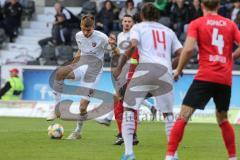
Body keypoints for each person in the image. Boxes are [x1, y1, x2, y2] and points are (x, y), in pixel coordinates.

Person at [165, 0, 240, 159]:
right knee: (223, 119)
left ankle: (170, 155)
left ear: (202, 6)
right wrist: (231, 57)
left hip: (205, 76)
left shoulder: (197, 23)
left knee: (183, 116)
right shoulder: (230, 24)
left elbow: (189, 48)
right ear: (219, 6)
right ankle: (233, 157)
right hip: (224, 79)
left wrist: (179, 69)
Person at [113, 3, 182, 160]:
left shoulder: (138, 28)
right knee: (168, 115)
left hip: (145, 69)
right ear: (157, 16)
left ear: (142, 16)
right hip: (165, 72)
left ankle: (129, 153)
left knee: (128, 109)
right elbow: (182, 52)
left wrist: (120, 66)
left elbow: (133, 46)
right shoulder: (168, 31)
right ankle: (173, 155)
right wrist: (175, 68)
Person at [46, 14, 117, 140]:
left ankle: (78, 131)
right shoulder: (78, 35)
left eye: (88, 30)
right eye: (83, 29)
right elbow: (80, 50)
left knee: (82, 107)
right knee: (59, 73)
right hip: (81, 67)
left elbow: (115, 52)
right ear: (80, 26)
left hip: (93, 73)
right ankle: (57, 109)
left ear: (93, 27)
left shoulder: (101, 38)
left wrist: (113, 45)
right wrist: (73, 64)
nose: (85, 32)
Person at [96, 15, 157, 146]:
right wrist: (113, 47)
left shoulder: (135, 36)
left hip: (134, 71)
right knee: (125, 102)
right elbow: (119, 54)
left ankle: (118, 129)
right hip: (123, 71)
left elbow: (132, 54)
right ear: (122, 22)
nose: (127, 23)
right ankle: (130, 133)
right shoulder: (121, 36)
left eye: (129, 21)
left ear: (133, 23)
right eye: (125, 21)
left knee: (120, 100)